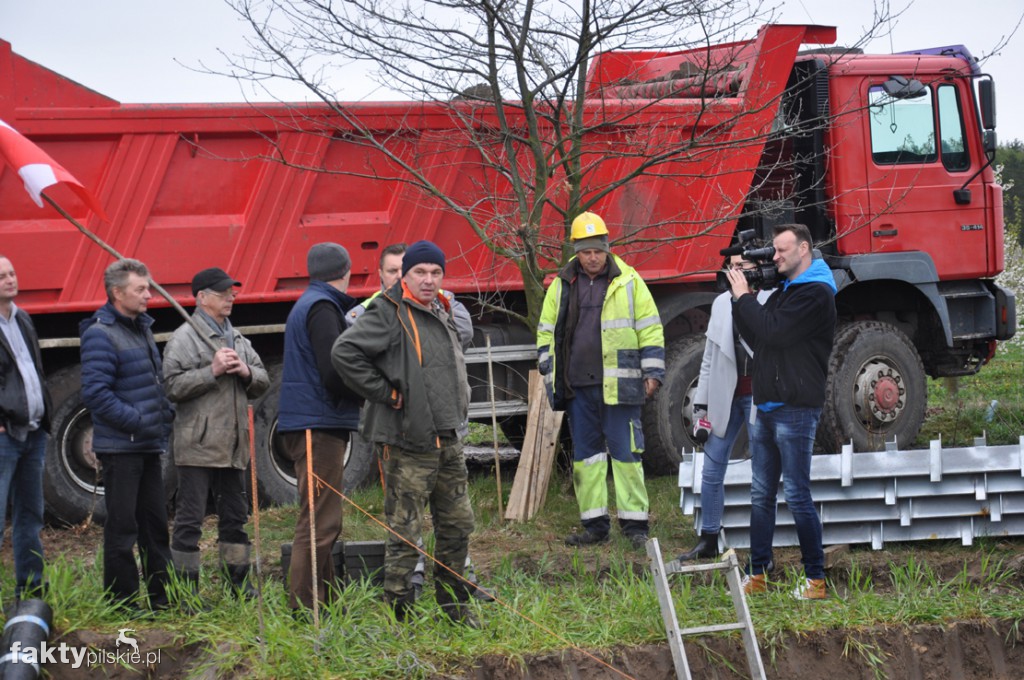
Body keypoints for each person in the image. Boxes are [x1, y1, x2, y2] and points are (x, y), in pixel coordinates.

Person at [332, 240, 478, 627]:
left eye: (436, 272)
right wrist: (387, 394)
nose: (428, 280)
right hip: (409, 443)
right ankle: (400, 614)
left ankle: (454, 608)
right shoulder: (387, 312)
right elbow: (345, 353)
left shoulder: (442, 308)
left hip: (448, 439)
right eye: (420, 272)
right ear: (405, 276)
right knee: (405, 531)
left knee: (458, 525)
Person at [537, 212, 665, 549]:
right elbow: (546, 330)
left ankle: (635, 528)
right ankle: (594, 527)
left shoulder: (629, 281)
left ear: (607, 248)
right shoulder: (562, 284)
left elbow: (650, 328)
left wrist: (653, 373)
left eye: (598, 251)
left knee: (626, 456)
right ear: (576, 252)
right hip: (578, 388)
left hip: (621, 387)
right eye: (586, 251)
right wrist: (547, 367)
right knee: (587, 460)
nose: (593, 257)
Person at [726, 223, 837, 600]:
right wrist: (739, 298)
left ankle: (815, 580)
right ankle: (757, 573)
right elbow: (757, 336)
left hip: (796, 409)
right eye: (773, 250)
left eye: (781, 250)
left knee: (797, 494)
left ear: (803, 249)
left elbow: (774, 331)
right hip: (768, 405)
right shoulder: (786, 291)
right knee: (761, 494)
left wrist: (744, 297)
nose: (775, 257)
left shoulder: (816, 294)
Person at [162, 267, 269, 599]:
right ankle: (185, 593)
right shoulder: (183, 338)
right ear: (202, 298)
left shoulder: (237, 338)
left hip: (233, 446)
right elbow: (171, 387)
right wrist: (213, 371)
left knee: (235, 518)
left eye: (231, 292)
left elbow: (263, 379)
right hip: (197, 446)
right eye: (223, 293)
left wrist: (246, 371)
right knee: (189, 521)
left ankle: (239, 586)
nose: (230, 298)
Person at [80, 258, 175, 612]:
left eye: (148, 288)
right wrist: (137, 421)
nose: (149, 295)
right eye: (141, 289)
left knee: (155, 525)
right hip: (122, 449)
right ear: (118, 293)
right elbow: (96, 394)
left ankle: (164, 598)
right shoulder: (100, 334)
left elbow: (154, 382)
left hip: (147, 444)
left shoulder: (141, 328)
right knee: (122, 530)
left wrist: (164, 413)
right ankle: (122, 603)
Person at [278, 243, 363, 616]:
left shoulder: (313, 303)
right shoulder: (322, 308)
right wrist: (371, 391)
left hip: (314, 422)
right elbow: (333, 371)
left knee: (323, 519)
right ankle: (305, 611)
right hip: (317, 424)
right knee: (319, 522)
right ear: (347, 271)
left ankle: (323, 606)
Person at [677, 253, 770, 563]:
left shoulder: (769, 299)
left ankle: (762, 547)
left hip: (759, 396)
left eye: (742, 266)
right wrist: (701, 406)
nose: (736, 271)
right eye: (732, 266)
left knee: (762, 473)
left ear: (757, 268)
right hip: (725, 396)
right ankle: (709, 538)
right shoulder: (720, 304)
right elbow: (710, 358)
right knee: (712, 467)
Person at [0, 255, 52, 604]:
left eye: (12, 273)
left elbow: (35, 370)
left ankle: (31, 592)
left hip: (33, 433)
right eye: (1, 276)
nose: (10, 280)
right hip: (5, 436)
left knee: (31, 515)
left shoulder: (23, 319)